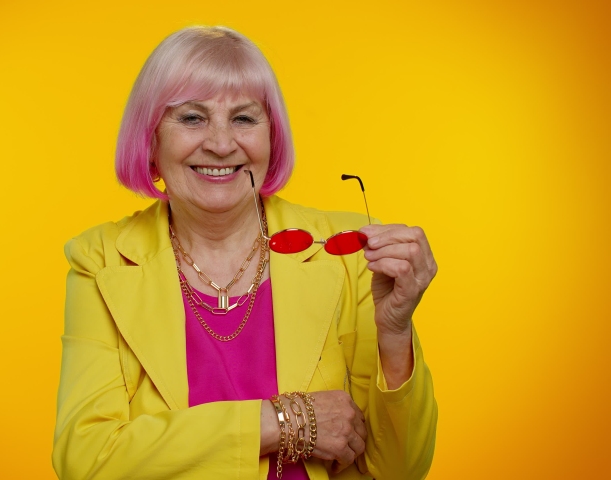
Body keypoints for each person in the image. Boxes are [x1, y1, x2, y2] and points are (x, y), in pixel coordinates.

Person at [53, 26, 438, 480]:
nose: (220, 144)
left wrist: (394, 335)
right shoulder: (100, 259)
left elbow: (400, 470)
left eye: (243, 119)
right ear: (150, 140)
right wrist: (282, 422)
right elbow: (87, 460)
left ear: (272, 138)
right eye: (192, 118)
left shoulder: (348, 252)